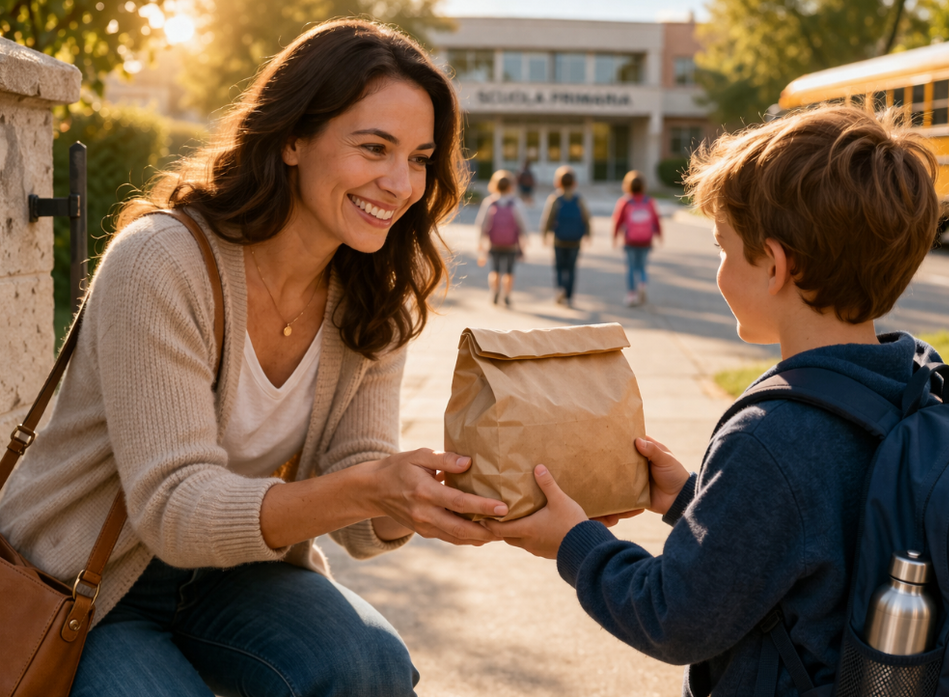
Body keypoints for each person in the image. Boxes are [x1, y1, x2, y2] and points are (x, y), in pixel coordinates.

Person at [0, 19, 511, 697]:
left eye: (419, 157)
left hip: (236, 571)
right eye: (374, 148)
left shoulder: (373, 289)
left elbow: (357, 497)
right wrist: (373, 486)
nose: (400, 182)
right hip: (86, 584)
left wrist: (427, 498)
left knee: (374, 666)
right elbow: (174, 511)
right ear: (294, 138)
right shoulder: (161, 261)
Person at [485, 106, 943, 696]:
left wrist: (574, 542)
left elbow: (673, 616)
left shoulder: (773, 436)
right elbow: (816, 541)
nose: (719, 271)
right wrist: (693, 500)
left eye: (724, 249)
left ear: (775, 266)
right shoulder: (916, 383)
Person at [540, 166, 591, 307]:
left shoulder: (555, 199)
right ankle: (569, 296)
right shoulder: (579, 199)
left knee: (559, 267)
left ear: (558, 182)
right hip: (575, 240)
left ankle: (560, 289)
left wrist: (544, 234)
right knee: (572, 268)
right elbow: (586, 217)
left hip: (559, 239)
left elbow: (548, 218)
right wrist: (588, 233)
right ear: (574, 183)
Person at [475, 169, 527, 306]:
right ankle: (507, 294)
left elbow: (481, 223)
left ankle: (494, 291)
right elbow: (522, 223)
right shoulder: (515, 203)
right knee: (509, 272)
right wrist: (525, 239)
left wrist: (480, 242)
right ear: (511, 185)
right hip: (511, 244)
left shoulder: (490, 202)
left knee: (495, 270)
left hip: (494, 243)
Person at [611, 170, 662, 306]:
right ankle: (642, 284)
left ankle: (631, 295)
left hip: (630, 241)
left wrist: (615, 237)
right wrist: (659, 234)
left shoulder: (625, 202)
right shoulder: (649, 201)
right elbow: (656, 219)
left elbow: (618, 221)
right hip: (646, 241)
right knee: (642, 267)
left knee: (631, 268)